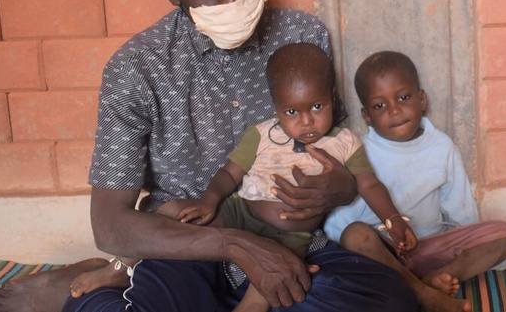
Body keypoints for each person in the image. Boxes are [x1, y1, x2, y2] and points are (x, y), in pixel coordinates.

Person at [0, 0, 416, 312]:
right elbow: (110, 223)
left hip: (290, 237)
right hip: (186, 242)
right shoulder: (136, 68)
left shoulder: (302, 38)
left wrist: (341, 187)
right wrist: (236, 245)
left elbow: (336, 149)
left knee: (393, 302)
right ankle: (88, 290)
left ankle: (134, 281)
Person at [69, 43, 417, 312]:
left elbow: (368, 184)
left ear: (332, 99)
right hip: (240, 213)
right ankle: (121, 266)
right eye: (292, 112)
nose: (306, 121)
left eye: (317, 107)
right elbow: (230, 172)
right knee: (175, 210)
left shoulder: (344, 143)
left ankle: (250, 305)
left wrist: (392, 219)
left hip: (291, 231)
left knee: (280, 271)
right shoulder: (262, 134)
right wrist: (209, 199)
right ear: (277, 107)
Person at [325, 51, 506, 312]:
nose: (394, 110)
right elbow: (342, 223)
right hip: (385, 253)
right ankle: (423, 293)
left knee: (503, 235)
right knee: (356, 236)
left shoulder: (442, 147)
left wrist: (466, 242)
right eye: (380, 105)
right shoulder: (360, 152)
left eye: (403, 97)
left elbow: (459, 206)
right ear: (367, 116)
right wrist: (360, 242)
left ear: (422, 99)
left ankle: (437, 279)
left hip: (432, 249)